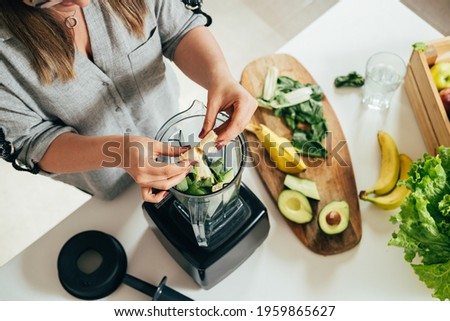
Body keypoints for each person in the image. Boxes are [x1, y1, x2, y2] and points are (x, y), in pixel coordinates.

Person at [0, 0, 257, 202]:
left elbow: (178, 29)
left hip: (164, 120)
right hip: (103, 177)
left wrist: (219, 76)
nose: (84, 3)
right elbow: (32, 142)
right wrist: (119, 153)